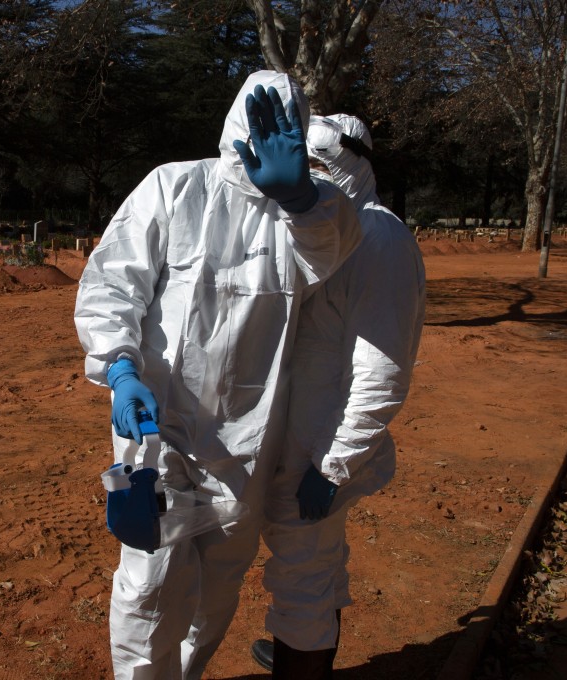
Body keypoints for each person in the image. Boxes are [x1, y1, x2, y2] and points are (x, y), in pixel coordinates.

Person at [73, 70, 362, 680]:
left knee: (219, 587)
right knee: (147, 583)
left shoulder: (314, 211)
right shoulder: (176, 188)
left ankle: (189, 671)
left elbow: (330, 253)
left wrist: (299, 198)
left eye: (282, 131)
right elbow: (112, 284)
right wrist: (120, 367)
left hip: (247, 443)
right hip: (158, 425)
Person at [251, 113, 426, 677]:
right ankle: (301, 647)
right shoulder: (325, 233)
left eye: (323, 166)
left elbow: (383, 372)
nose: (313, 179)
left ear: (354, 166)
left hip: (319, 447)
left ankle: (303, 657)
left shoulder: (378, 237)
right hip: (293, 440)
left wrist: (333, 466)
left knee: (306, 573)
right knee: (312, 569)